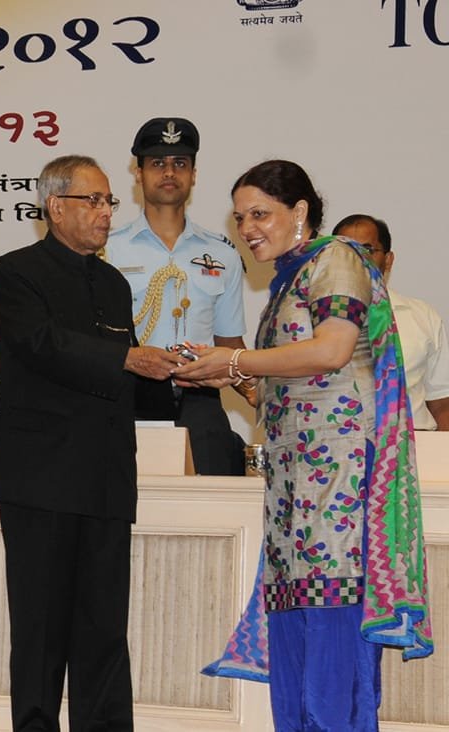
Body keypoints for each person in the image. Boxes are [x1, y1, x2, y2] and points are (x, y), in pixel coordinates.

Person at [178, 160, 432, 730]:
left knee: (333, 622)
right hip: (295, 486)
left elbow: (332, 350)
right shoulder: (288, 280)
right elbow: (290, 389)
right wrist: (231, 377)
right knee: (294, 623)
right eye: (240, 217)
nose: (247, 228)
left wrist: (236, 357)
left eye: (260, 214)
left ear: (299, 212)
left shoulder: (336, 258)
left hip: (339, 479)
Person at [0, 155, 180, 732]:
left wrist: (181, 374)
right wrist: (128, 358)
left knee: (103, 629)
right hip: (41, 479)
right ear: (56, 207)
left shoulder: (114, 282)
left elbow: (127, 374)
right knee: (41, 629)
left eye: (108, 202)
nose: (105, 213)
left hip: (104, 477)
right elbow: (43, 345)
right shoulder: (15, 272)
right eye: (93, 201)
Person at [106, 117, 250, 475]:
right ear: (138, 174)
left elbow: (230, 342)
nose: (169, 172)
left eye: (180, 164)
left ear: (194, 174)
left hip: (199, 395)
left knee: (211, 502)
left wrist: (258, 391)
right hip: (125, 396)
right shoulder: (107, 250)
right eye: (157, 163)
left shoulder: (224, 254)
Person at [332, 214, 449, 431]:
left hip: (417, 447)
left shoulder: (422, 316)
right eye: (346, 251)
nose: (357, 258)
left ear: (388, 259)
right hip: (343, 449)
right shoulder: (314, 319)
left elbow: (442, 402)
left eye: (368, 249)